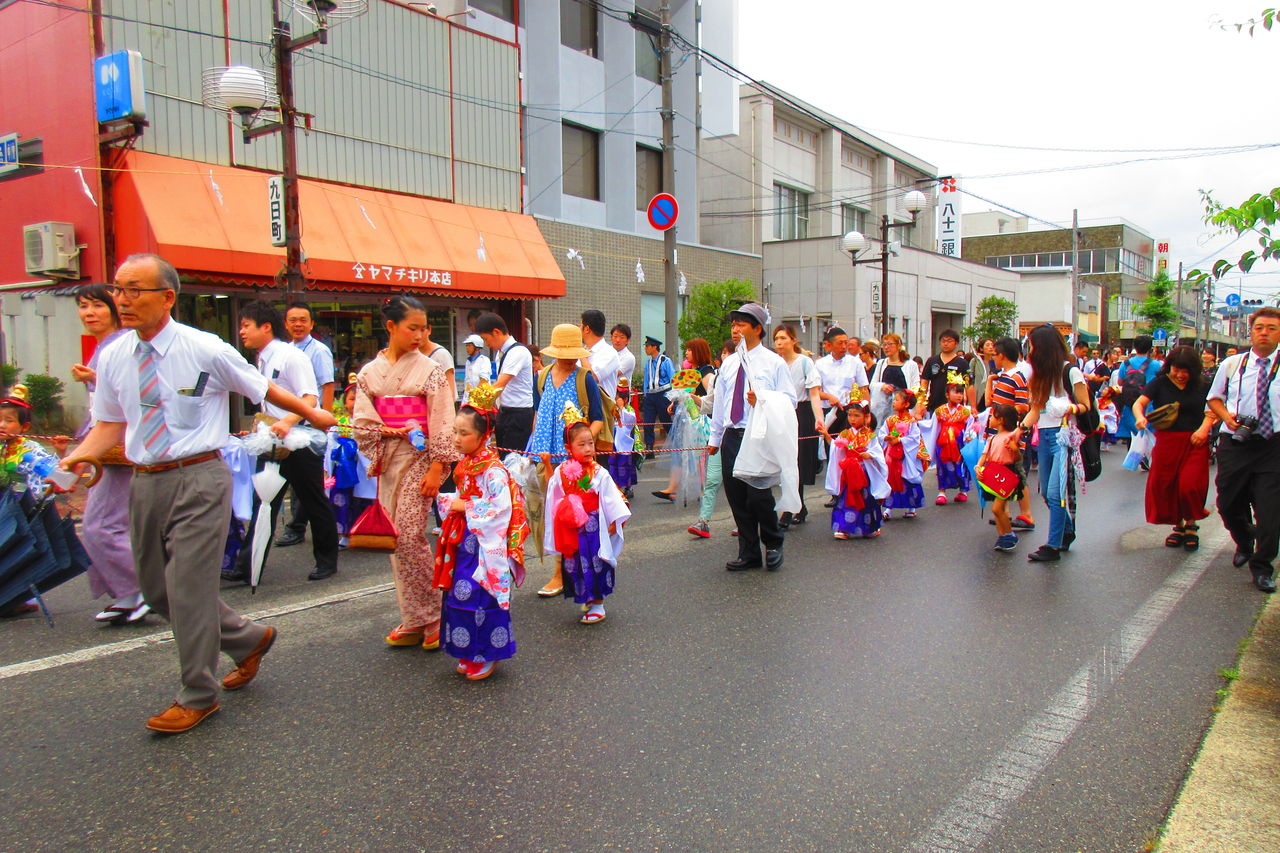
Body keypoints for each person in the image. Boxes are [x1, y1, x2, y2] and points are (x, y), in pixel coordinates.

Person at [66, 253, 335, 733]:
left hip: (199, 477)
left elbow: (261, 389)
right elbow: (110, 422)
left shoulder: (204, 348)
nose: (121, 300)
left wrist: (312, 415)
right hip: (145, 481)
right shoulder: (112, 356)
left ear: (167, 297)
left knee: (189, 589)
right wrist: (80, 455)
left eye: (133, 290)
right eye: (118, 289)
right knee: (157, 590)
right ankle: (248, 638)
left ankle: (198, 693)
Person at [353, 295, 460, 649]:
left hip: (420, 457)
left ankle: (432, 613)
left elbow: (443, 419)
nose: (418, 335)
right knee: (392, 538)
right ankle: (413, 615)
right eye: (411, 328)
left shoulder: (429, 370)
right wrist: (383, 437)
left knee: (409, 534)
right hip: (388, 458)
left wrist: (438, 465)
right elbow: (364, 420)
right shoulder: (370, 373)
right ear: (391, 327)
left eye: (423, 329)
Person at [226, 300, 340, 584]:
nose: (242, 332)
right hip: (271, 442)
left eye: (246, 326)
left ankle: (327, 560)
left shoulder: (291, 356)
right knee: (263, 502)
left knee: (314, 503)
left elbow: (309, 398)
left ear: (266, 327)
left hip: (298, 443)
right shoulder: (262, 358)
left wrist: (287, 422)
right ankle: (246, 566)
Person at [433, 394, 528, 680]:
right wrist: (452, 502)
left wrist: (465, 505)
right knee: (458, 592)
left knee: (481, 595)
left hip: (485, 545)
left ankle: (487, 653)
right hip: (464, 539)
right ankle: (465, 649)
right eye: (455, 431)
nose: (457, 438)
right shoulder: (466, 463)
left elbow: (501, 508)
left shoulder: (493, 469)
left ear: (484, 435)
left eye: (465, 433)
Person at [68, 284, 146, 624]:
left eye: (97, 306)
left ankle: (143, 590)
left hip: (117, 449)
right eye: (83, 306)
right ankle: (129, 594)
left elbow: (131, 394)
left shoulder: (120, 345)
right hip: (105, 447)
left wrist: (96, 378)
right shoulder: (106, 346)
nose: (89, 313)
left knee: (99, 525)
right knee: (114, 523)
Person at [707, 303, 797, 571]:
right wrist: (715, 438)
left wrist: (763, 399)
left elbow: (790, 400)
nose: (735, 330)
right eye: (733, 325)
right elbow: (721, 402)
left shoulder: (774, 362)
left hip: (758, 435)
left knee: (758, 496)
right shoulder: (730, 362)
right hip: (733, 435)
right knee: (736, 496)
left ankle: (772, 542)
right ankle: (748, 552)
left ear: (757, 329)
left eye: (741, 325)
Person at [1206, 307, 1280, 592]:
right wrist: (1228, 419)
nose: (1265, 332)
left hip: (1273, 445)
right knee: (1227, 502)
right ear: (1250, 331)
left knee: (1270, 512)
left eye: (1272, 328)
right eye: (1260, 327)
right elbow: (1214, 399)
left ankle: (1262, 568)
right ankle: (1245, 538)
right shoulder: (1233, 365)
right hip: (1235, 442)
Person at [528, 324, 605, 597]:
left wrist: (581, 445)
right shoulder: (542, 376)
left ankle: (564, 572)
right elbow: (538, 414)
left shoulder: (584, 379)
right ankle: (561, 571)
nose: (570, 358)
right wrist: (533, 446)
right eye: (565, 353)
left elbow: (598, 418)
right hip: (543, 454)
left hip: (571, 463)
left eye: (574, 352)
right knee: (549, 514)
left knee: (571, 516)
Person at [543, 416, 631, 624]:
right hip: (573, 527)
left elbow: (612, 497)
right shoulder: (562, 470)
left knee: (595, 561)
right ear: (568, 447)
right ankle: (587, 598)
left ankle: (598, 603)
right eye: (581, 444)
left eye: (590, 443)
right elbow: (553, 489)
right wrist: (547, 463)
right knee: (576, 563)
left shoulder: (599, 472)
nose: (588, 448)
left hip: (594, 526)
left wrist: (614, 521)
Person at [1132, 345, 1214, 552]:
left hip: (1195, 441)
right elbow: (1138, 404)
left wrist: (1204, 430)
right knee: (1167, 485)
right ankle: (1179, 526)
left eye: (1185, 371)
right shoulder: (1160, 383)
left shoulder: (1204, 385)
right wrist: (1140, 418)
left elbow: (1213, 409)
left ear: (1194, 370)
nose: (1180, 375)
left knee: (1189, 486)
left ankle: (1191, 523)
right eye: (1176, 369)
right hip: (1167, 442)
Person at [1022, 325, 1090, 563]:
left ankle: (1052, 545)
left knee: (1055, 492)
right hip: (1044, 435)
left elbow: (1085, 405)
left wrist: (1068, 408)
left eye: (1033, 345)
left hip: (1064, 436)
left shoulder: (1070, 372)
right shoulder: (1038, 375)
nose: (1030, 350)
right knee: (1048, 494)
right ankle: (1066, 530)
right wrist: (1018, 431)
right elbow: (1036, 409)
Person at [276, 302, 337, 549]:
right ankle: (297, 526)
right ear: (286, 324)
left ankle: (298, 527)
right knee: (298, 480)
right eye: (293, 320)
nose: (298, 324)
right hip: (288, 425)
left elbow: (327, 386)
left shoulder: (319, 351)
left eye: (303, 320)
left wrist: (325, 420)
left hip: (310, 424)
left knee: (308, 481)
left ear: (311, 324)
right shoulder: (285, 351)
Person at [773, 324, 824, 527]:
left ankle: (789, 510)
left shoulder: (805, 363)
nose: (779, 342)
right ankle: (797, 506)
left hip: (801, 413)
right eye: (776, 338)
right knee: (784, 462)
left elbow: (814, 393)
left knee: (798, 462)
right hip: (781, 413)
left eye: (783, 338)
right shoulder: (774, 363)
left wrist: (818, 418)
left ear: (793, 340)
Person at [653, 339, 714, 503]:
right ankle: (673, 489)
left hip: (698, 420)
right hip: (686, 419)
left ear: (698, 352)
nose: (686, 353)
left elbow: (712, 398)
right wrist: (675, 402)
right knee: (681, 452)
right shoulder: (691, 371)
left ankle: (700, 490)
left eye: (689, 350)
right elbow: (683, 393)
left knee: (697, 455)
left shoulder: (706, 373)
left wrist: (693, 398)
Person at [986, 337, 1036, 531]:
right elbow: (990, 402)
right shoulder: (1002, 376)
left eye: (994, 355)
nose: (993, 358)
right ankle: (1004, 511)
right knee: (1002, 473)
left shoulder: (1016, 377)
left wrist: (1006, 421)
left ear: (1002, 355)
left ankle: (1026, 514)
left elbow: (1023, 406)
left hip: (1010, 435)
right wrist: (991, 380)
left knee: (1017, 474)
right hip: (998, 434)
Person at [688, 339, 734, 539]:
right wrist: (690, 398)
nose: (725, 357)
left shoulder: (749, 376)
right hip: (719, 434)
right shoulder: (717, 377)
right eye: (723, 353)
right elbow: (710, 404)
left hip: (741, 435)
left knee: (740, 481)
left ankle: (745, 521)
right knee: (713, 478)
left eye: (729, 353)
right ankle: (703, 521)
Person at [825, 396, 887, 540]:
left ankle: (869, 527)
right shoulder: (845, 433)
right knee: (846, 498)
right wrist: (826, 435)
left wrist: (869, 454)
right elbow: (836, 447)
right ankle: (843, 528)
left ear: (866, 417)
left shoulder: (870, 435)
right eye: (850, 415)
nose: (852, 419)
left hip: (863, 472)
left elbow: (877, 452)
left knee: (866, 499)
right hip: (848, 471)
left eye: (857, 415)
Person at [476, 312, 534, 455]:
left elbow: (500, 384)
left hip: (518, 413)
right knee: (502, 457)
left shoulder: (518, 351)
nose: (486, 344)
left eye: (486, 339)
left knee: (513, 460)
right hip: (505, 411)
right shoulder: (500, 353)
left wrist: (478, 404)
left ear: (496, 332)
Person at [978, 403, 1026, 553]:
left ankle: (1009, 534)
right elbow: (984, 456)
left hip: (1006, 474)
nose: (990, 418)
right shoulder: (992, 438)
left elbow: (1017, 458)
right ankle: (1002, 536)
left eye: (993, 416)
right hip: (993, 473)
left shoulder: (1010, 438)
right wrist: (978, 467)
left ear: (1001, 420)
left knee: (997, 508)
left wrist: (1015, 449)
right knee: (999, 510)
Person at [813, 325, 869, 440]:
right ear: (830, 345)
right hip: (828, 412)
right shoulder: (820, 364)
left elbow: (864, 389)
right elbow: (815, 392)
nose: (844, 347)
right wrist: (829, 397)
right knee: (829, 446)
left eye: (846, 343)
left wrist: (867, 412)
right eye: (840, 343)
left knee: (849, 446)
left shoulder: (855, 362)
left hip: (849, 412)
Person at [879, 389, 928, 519]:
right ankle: (888, 508)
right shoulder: (890, 420)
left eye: (897, 400)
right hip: (892, 456)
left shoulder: (911, 422)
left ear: (906, 404)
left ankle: (911, 507)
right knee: (891, 480)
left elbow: (914, 438)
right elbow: (882, 433)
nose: (894, 402)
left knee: (907, 481)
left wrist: (900, 439)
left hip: (905, 457)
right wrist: (886, 437)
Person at [1113, 335, 1162, 441]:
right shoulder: (1155, 364)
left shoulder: (1126, 363)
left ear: (1135, 347)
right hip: (1149, 403)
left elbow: (1120, 382)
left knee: (1132, 438)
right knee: (1149, 437)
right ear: (1150, 348)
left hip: (1130, 402)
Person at [932, 381, 974, 505]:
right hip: (943, 442)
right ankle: (941, 492)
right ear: (947, 394)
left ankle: (963, 491)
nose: (959, 395)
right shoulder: (939, 411)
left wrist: (968, 438)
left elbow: (970, 427)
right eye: (956, 392)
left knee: (960, 466)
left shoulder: (966, 412)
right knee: (942, 466)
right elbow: (933, 427)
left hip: (959, 442)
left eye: (961, 393)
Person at [868, 333, 920, 426]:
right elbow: (872, 384)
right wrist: (882, 386)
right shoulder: (881, 363)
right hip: (883, 407)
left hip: (903, 407)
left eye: (890, 344)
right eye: (884, 345)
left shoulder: (911, 365)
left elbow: (916, 387)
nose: (886, 347)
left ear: (898, 346)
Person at [920, 329, 973, 413]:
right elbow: (924, 382)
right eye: (943, 341)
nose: (945, 343)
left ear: (956, 343)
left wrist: (973, 407)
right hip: (934, 406)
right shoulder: (932, 361)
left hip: (955, 408)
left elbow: (969, 385)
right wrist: (921, 403)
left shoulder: (962, 363)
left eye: (949, 341)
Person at [641, 335, 674, 455]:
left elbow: (673, 378)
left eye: (648, 346)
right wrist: (645, 394)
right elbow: (646, 380)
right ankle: (649, 448)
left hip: (663, 394)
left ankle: (676, 444)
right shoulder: (647, 363)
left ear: (655, 347)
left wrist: (672, 397)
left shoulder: (665, 360)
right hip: (650, 396)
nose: (646, 348)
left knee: (666, 421)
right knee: (648, 423)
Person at [609, 377, 638, 499]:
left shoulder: (629, 411)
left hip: (624, 445)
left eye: (618, 398)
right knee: (613, 465)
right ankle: (616, 487)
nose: (616, 400)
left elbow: (631, 420)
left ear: (625, 399)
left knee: (625, 466)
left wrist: (621, 408)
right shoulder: (613, 409)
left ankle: (628, 487)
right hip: (614, 443)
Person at [581, 309, 619, 403]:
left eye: (580, 325)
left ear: (587, 329)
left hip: (602, 413)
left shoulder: (609, 353)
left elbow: (592, 377)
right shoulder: (583, 351)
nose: (578, 328)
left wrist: (582, 357)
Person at [419, 318, 457, 402]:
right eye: (413, 330)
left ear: (429, 329)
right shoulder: (410, 355)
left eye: (422, 330)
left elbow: (450, 393)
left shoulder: (441, 355)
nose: (418, 335)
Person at [461, 334, 491, 403]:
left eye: (469, 346)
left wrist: (475, 397)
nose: (467, 348)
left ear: (477, 347)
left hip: (480, 400)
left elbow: (484, 380)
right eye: (466, 346)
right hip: (467, 399)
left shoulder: (484, 360)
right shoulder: (468, 362)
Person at [611, 323, 637, 390]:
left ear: (627, 340)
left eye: (622, 337)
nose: (618, 340)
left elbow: (615, 373)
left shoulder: (629, 357)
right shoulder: (606, 352)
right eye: (615, 336)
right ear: (611, 337)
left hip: (620, 396)